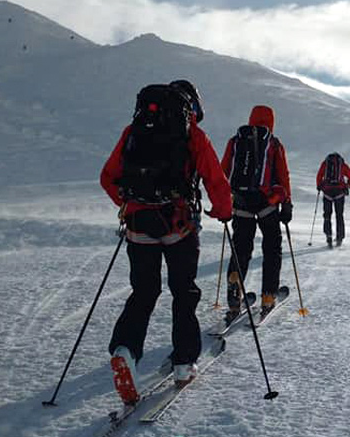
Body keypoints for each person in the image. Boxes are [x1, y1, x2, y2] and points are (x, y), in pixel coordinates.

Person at [99, 80, 232, 404]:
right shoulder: (193, 135)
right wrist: (223, 211)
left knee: (144, 291)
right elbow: (215, 179)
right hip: (178, 225)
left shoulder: (134, 130)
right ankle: (184, 363)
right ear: (193, 107)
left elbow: (108, 176)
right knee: (183, 291)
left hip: (138, 225)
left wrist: (129, 203)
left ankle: (125, 351)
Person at [220, 105, 292, 322]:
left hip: (241, 204)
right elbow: (283, 175)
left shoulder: (236, 141)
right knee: (271, 248)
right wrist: (286, 203)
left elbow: (223, 171)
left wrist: (224, 202)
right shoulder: (273, 143)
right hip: (266, 205)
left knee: (241, 248)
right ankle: (268, 296)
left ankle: (234, 293)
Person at [316, 152, 350, 247]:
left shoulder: (325, 163)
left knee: (327, 215)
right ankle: (340, 237)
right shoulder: (342, 165)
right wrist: (347, 185)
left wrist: (320, 185)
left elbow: (319, 176)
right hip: (339, 192)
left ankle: (328, 236)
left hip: (327, 192)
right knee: (339, 215)